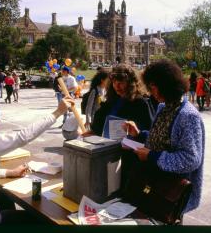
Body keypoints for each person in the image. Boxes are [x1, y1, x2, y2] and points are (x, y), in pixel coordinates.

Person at [0, 96, 73, 224]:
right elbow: (23, 137)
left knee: (5, 199)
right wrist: (58, 112)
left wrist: (9, 173)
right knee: (38, 220)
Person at [124, 59, 205, 218]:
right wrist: (139, 134)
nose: (150, 91)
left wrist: (152, 156)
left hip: (171, 192)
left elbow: (191, 159)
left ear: (166, 85)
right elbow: (162, 139)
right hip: (155, 183)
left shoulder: (188, 116)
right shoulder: (163, 106)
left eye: (153, 86)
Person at [87, 64, 152, 137]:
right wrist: (92, 132)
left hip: (127, 146)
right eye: (114, 82)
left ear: (130, 83)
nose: (117, 86)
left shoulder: (141, 103)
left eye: (121, 83)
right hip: (105, 144)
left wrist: (137, 133)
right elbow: (99, 124)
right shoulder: (111, 100)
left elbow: (148, 132)